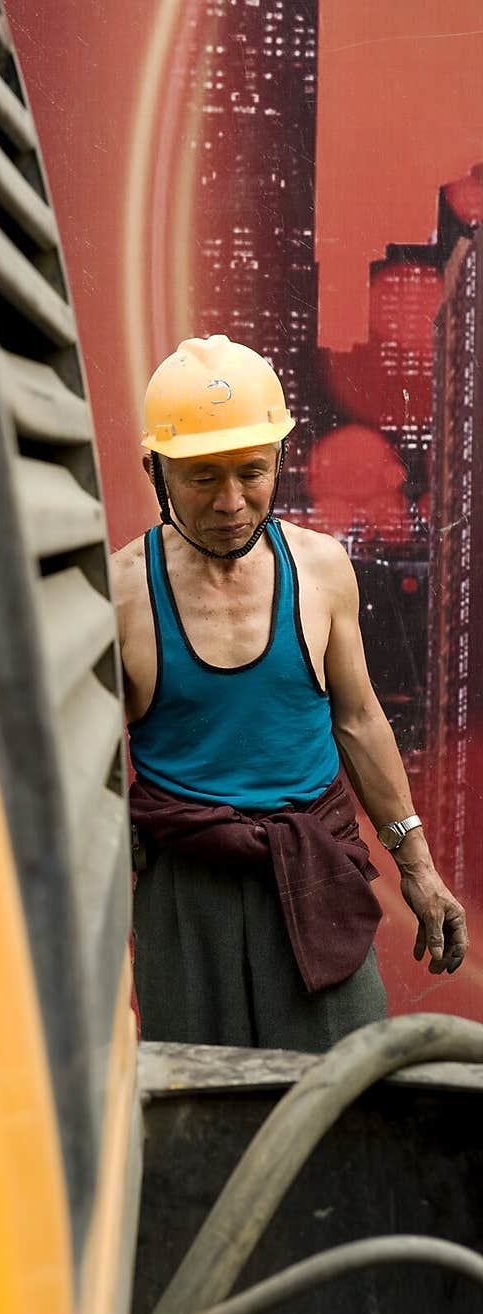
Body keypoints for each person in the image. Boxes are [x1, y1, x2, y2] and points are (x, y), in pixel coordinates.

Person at [112, 333, 469, 1052]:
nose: (232, 502)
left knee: (340, 1106)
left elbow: (361, 720)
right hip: (188, 895)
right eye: (202, 477)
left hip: (317, 878)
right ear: (158, 473)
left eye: (251, 471)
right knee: (203, 1116)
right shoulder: (120, 595)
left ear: (279, 459)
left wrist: (418, 868)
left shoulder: (322, 570)